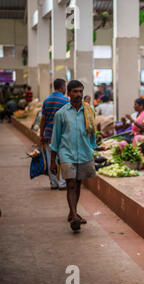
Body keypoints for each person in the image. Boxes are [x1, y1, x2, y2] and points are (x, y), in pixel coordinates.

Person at [50, 80, 97, 232]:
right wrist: (52, 161)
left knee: (77, 184)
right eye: (75, 91)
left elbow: (92, 134)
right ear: (68, 93)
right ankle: (75, 216)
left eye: (80, 91)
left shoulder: (88, 111)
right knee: (70, 183)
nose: (78, 95)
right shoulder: (61, 114)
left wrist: (93, 150)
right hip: (67, 154)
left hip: (84, 153)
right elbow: (55, 139)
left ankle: (72, 212)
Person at [40, 79, 70, 190]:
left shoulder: (46, 100)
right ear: (62, 87)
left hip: (48, 134)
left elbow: (43, 120)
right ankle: (62, 183)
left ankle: (53, 183)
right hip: (62, 134)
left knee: (50, 159)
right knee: (62, 158)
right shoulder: (66, 100)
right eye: (65, 87)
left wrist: (41, 135)